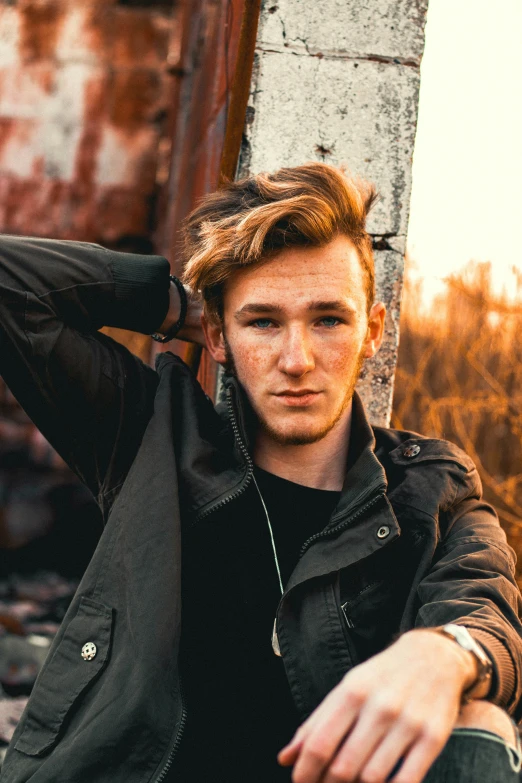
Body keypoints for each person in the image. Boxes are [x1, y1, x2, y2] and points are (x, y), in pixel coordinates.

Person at [0, 162, 521, 783]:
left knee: (480, 726)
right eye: (263, 322)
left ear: (372, 331)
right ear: (216, 336)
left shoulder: (430, 489)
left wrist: (442, 653)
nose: (296, 360)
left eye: (329, 319)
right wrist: (173, 307)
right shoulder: (151, 438)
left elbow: (486, 604)